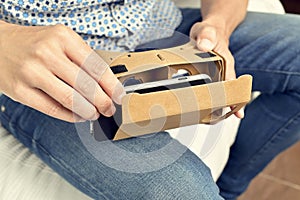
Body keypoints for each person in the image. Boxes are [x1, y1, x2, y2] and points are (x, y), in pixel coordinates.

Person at [0, 0, 299, 199]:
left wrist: (218, 25)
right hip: (46, 67)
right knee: (182, 191)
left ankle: (229, 188)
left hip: (159, 25)